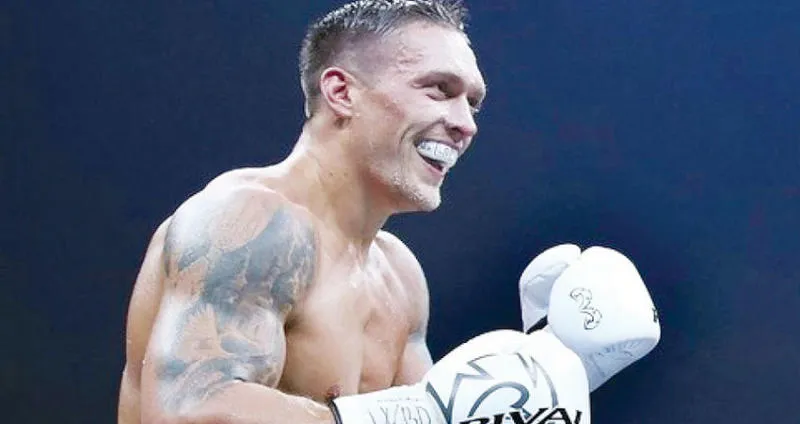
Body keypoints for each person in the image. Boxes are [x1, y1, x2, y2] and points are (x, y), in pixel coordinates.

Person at [117, 1, 660, 424]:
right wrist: (411, 414)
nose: (466, 124)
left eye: (472, 102)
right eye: (440, 90)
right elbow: (186, 411)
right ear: (342, 92)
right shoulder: (250, 222)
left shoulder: (399, 277)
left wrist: (549, 373)